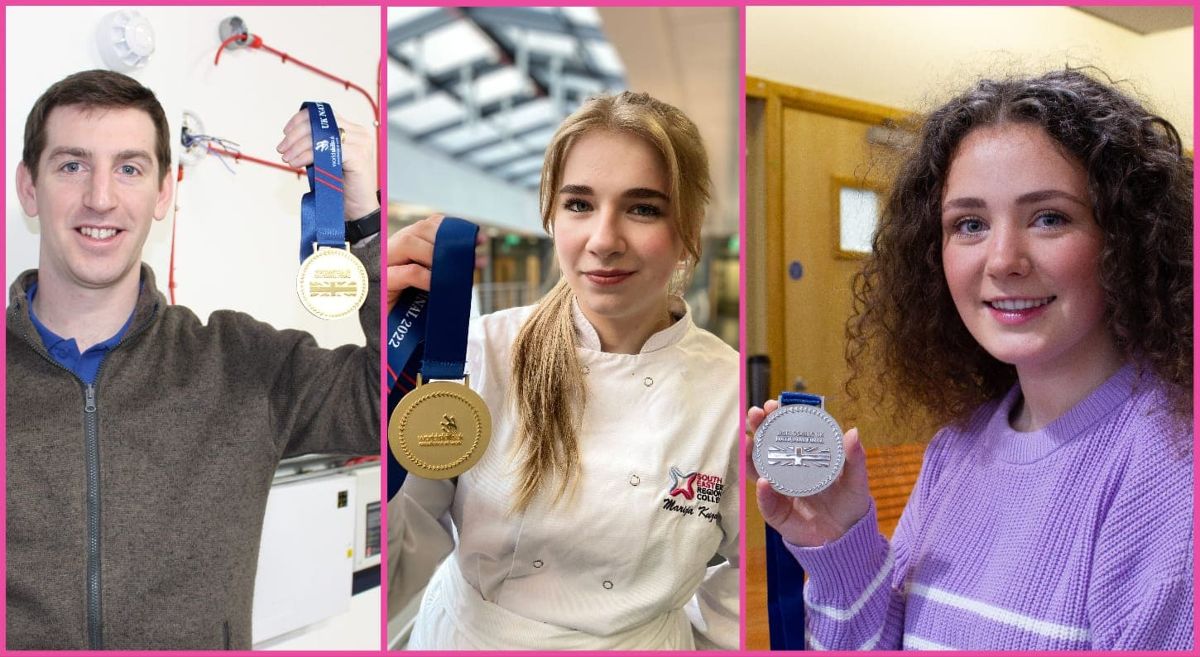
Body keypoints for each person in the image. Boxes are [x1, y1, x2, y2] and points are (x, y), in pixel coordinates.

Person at [748, 68, 1193, 650]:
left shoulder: (1172, 473)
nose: (1002, 259)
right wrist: (840, 541)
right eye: (970, 224)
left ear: (1126, 237)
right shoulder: (956, 449)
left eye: (1049, 217)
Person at [6, 70, 381, 650]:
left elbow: (401, 409)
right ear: (29, 187)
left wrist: (366, 223)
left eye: (129, 168)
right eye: (72, 165)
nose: (101, 197)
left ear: (163, 193)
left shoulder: (241, 365)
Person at [387, 91, 739, 650]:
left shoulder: (727, 390)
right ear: (552, 217)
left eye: (643, 208)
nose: (603, 241)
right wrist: (382, 370)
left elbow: (754, 573)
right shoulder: (479, 355)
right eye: (579, 204)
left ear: (688, 229)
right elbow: (396, 563)